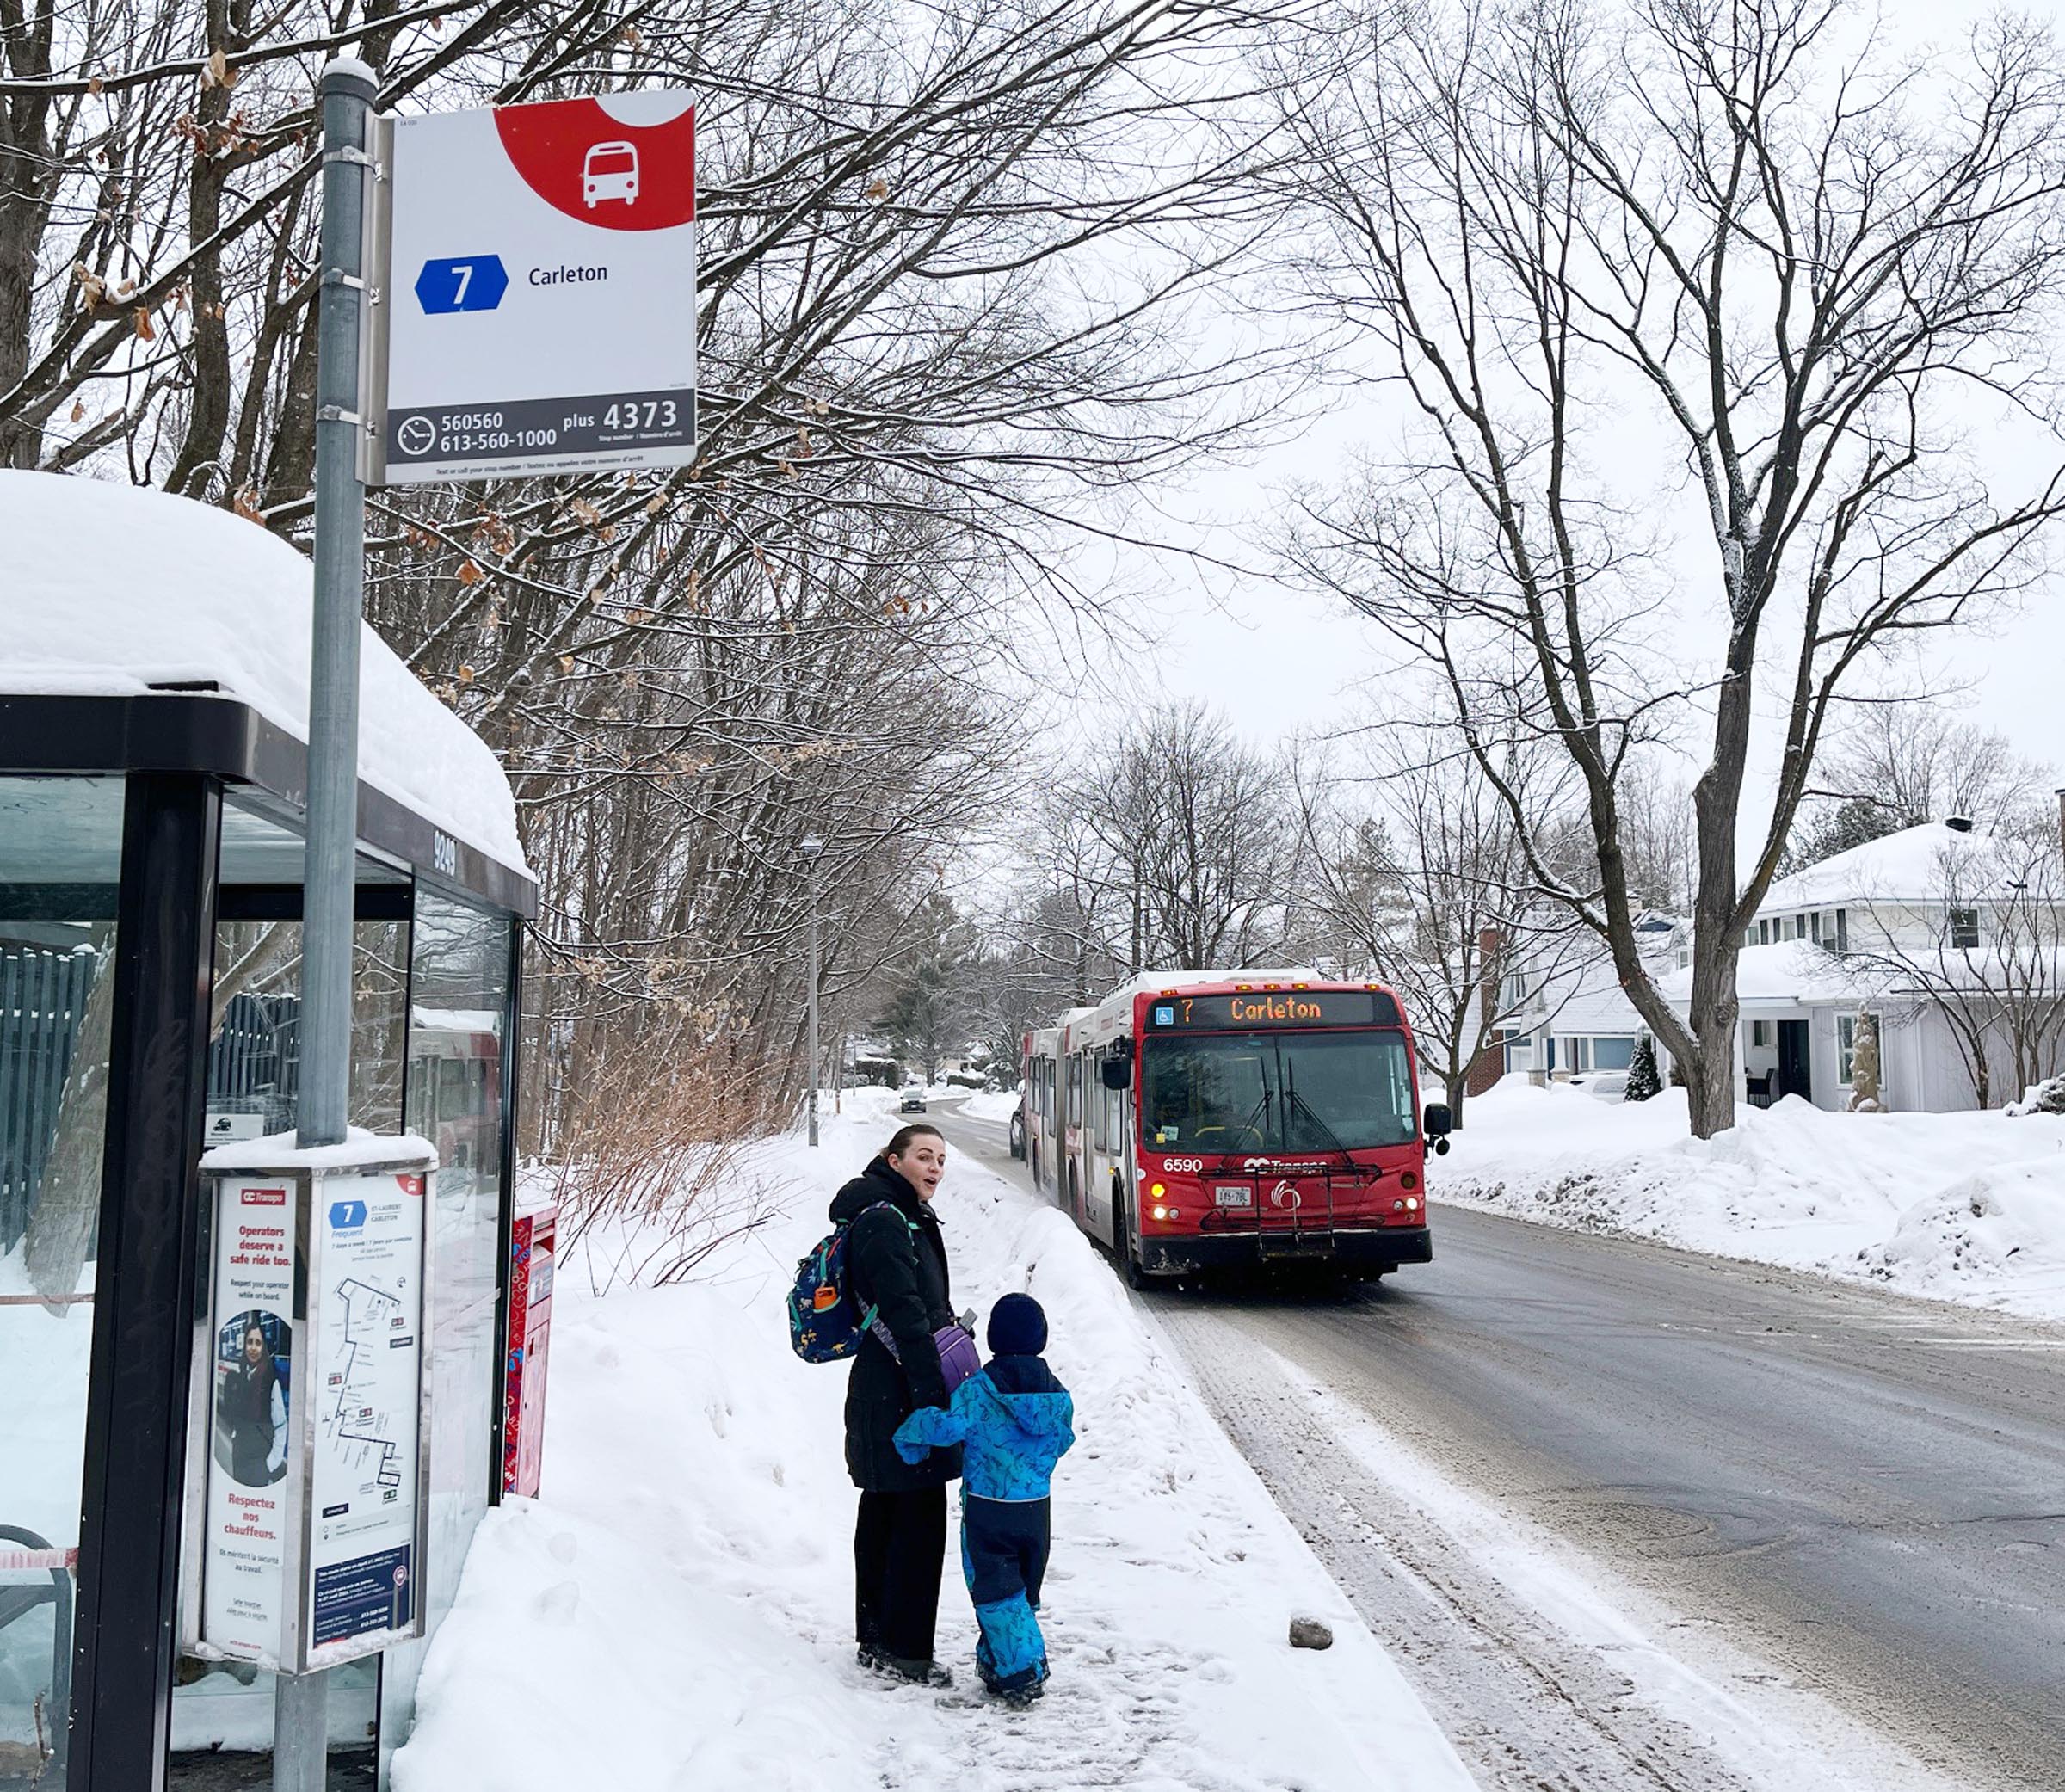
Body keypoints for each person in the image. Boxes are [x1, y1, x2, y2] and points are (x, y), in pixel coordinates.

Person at [893, 1292, 1075, 1703]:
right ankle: (994, 1662)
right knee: (1019, 1593)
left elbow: (946, 1426)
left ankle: (1024, 1670)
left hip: (989, 1510)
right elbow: (1063, 1438)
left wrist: (910, 1434)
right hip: (1036, 1511)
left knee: (996, 1593)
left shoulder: (979, 1390)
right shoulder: (1057, 1394)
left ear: (993, 1338)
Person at [833, 1123, 963, 1684]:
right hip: (898, 1392)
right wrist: (932, 1399)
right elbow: (907, 1314)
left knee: (887, 1510)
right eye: (923, 1156)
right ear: (894, 1159)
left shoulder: (897, 1212)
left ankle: (877, 1639)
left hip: (887, 1385)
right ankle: (904, 1651)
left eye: (941, 1158)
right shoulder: (887, 1220)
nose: (935, 1167)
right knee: (916, 1518)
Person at [219, 1316, 287, 1487]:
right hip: (240, 1454)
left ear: (263, 1347)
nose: (253, 1348)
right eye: (250, 1342)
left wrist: (270, 1464)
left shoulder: (271, 1382)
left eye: (258, 1343)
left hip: (259, 1460)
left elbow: (281, 1425)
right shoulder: (241, 1375)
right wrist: (235, 1436)